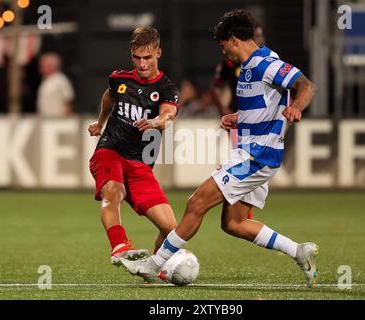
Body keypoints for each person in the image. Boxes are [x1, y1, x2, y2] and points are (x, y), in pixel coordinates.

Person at [119, 9, 319, 287]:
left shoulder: (265, 63)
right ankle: (299, 251)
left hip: (257, 155)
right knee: (233, 223)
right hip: (252, 152)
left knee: (196, 203)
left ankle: (154, 265)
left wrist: (297, 106)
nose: (222, 50)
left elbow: (306, 86)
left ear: (234, 39)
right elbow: (270, 102)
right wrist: (240, 117)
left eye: (222, 44)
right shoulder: (251, 67)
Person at [87, 26, 179, 266]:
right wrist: (100, 123)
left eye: (147, 57)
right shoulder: (119, 79)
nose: (142, 64)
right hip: (110, 152)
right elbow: (109, 97)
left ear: (158, 53)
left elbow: (168, 115)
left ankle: (153, 266)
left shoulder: (166, 88)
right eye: (137, 58)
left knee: (172, 230)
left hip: (139, 165)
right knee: (113, 191)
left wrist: (156, 121)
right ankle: (119, 247)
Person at [211, 23, 265, 219]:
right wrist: (223, 109)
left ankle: (243, 208)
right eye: (257, 35)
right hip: (238, 118)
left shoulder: (264, 63)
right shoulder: (229, 64)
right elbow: (215, 87)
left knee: (246, 159)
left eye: (260, 36)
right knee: (242, 157)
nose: (260, 40)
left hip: (257, 119)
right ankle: (243, 209)